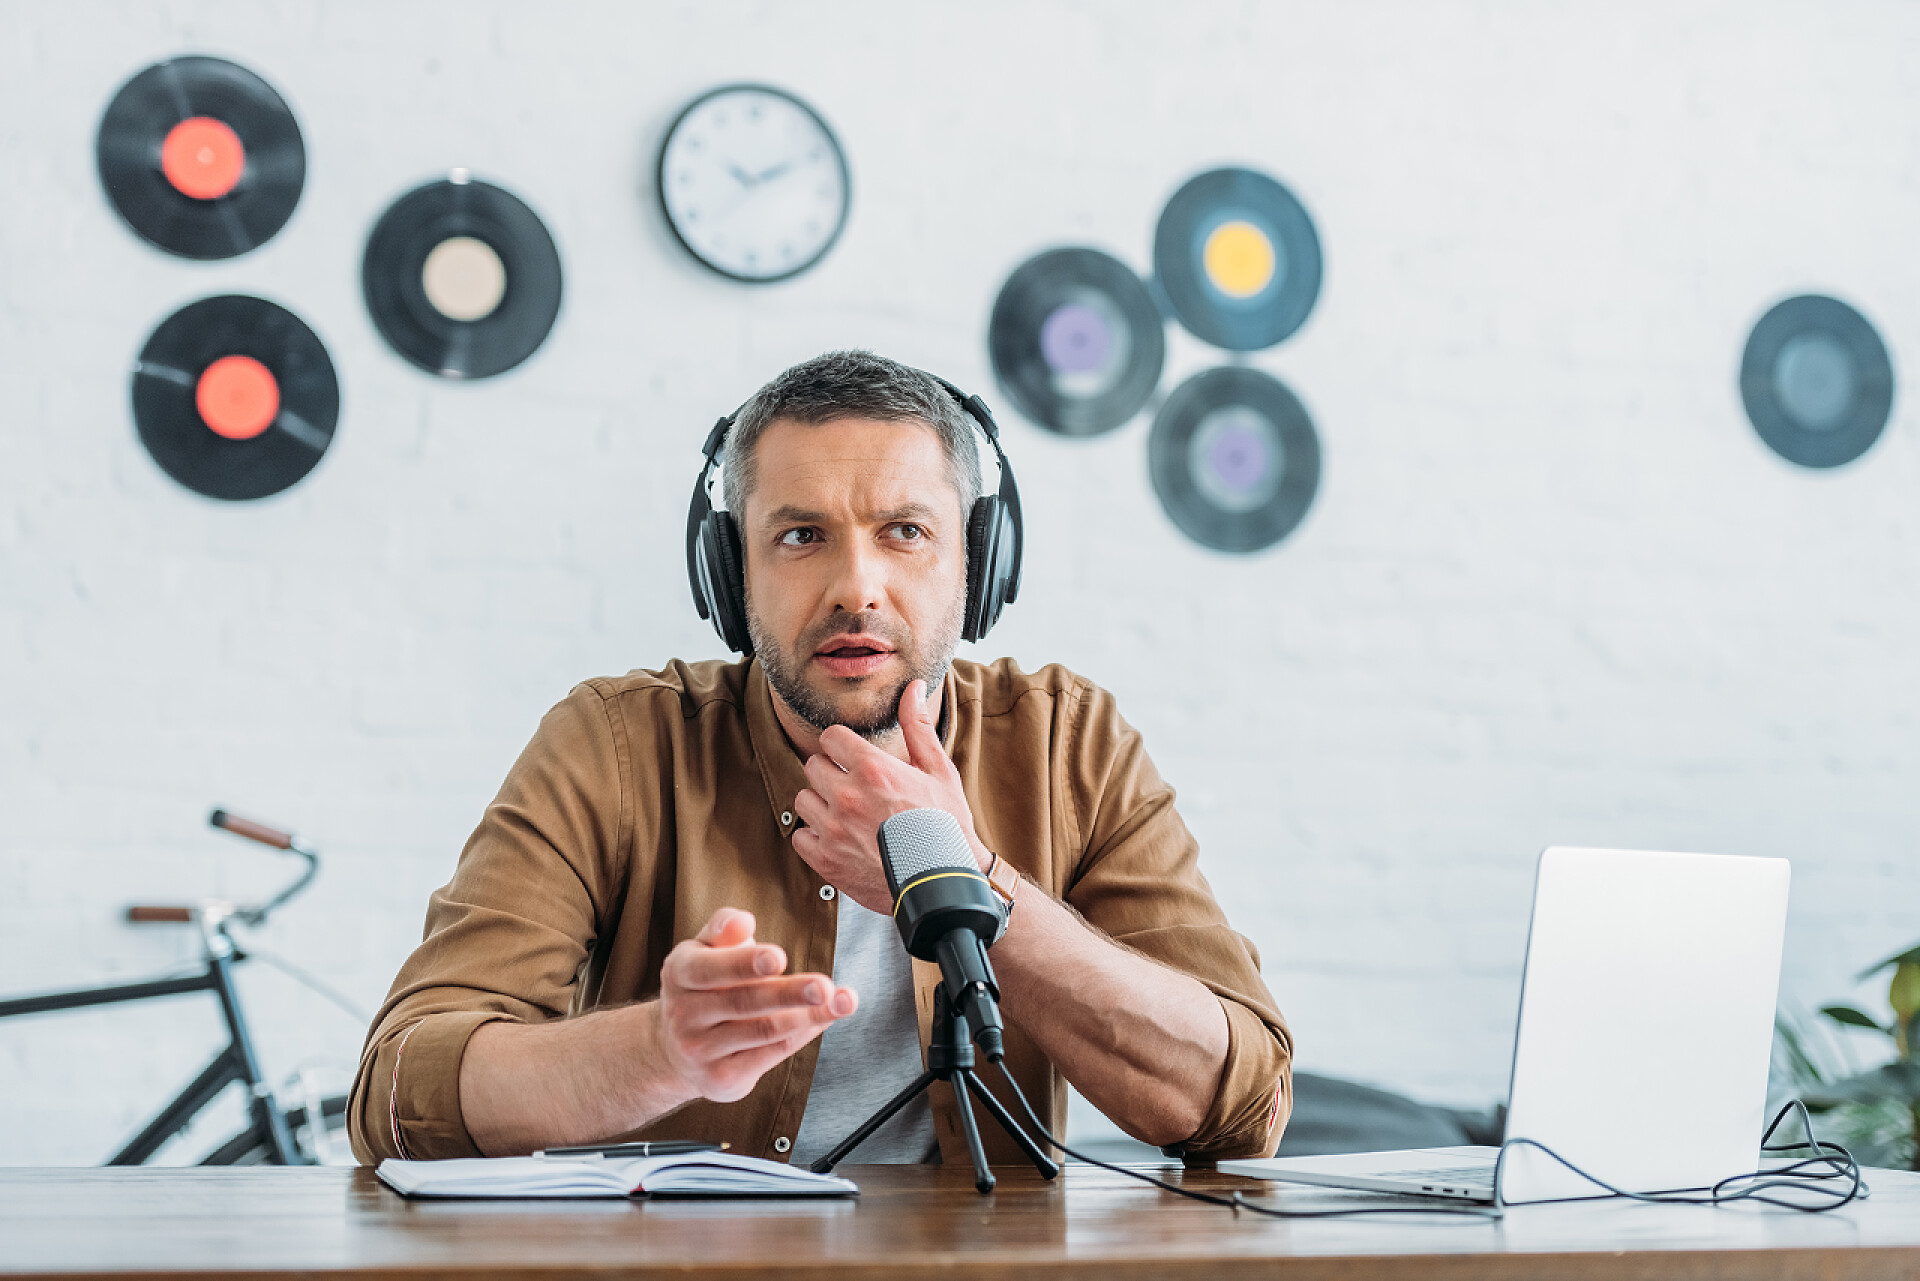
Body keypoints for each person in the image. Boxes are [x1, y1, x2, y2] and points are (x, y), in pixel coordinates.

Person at [347, 350, 1292, 1167]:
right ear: (730, 572)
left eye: (905, 531)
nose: (856, 586)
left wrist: (970, 878)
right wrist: (661, 1051)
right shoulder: (613, 743)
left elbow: (1239, 1103)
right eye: (801, 536)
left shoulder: (1069, 742)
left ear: (979, 562)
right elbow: (399, 1091)